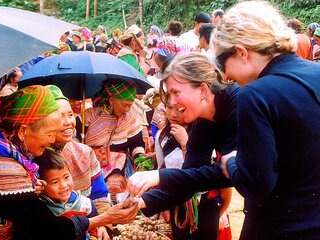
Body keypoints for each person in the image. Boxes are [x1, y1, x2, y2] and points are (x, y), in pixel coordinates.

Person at [127, 1, 320, 239]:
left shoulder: (254, 95)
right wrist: (142, 201)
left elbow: (255, 183)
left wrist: (231, 164)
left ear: (241, 52)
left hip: (281, 226)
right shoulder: (313, 73)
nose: (225, 74)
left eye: (223, 63)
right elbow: (192, 176)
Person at [0, 85, 138, 240]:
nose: (52, 140)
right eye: (49, 133)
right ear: (23, 131)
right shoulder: (6, 169)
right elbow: (49, 231)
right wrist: (104, 219)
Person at [134, 52, 236, 240]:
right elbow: (189, 179)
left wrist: (159, 176)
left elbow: (236, 172)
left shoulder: (241, 106)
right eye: (169, 95)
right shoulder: (204, 123)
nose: (171, 103)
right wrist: (138, 203)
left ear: (203, 90)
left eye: (176, 93)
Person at [48, 85, 111, 215]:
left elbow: (100, 195)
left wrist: (104, 225)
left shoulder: (85, 153)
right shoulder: (32, 159)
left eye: (70, 115)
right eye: (59, 117)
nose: (68, 122)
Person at [83, 80, 146, 198]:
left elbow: (136, 145)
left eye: (130, 105)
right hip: (90, 164)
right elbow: (77, 139)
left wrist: (140, 160)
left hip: (118, 168)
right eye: (124, 105)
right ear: (112, 100)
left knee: (114, 190)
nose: (127, 109)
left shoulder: (131, 121)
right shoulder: (89, 115)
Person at [33, 150, 110, 240]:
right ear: (41, 184)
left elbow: (96, 224)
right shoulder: (42, 209)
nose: (64, 185)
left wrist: (101, 229)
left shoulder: (85, 203)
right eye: (55, 182)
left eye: (66, 177)